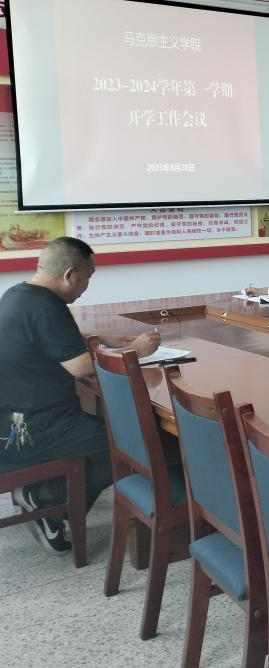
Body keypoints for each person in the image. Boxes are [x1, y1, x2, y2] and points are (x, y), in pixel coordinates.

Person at [0, 237, 160, 554]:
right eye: (87, 277)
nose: (86, 286)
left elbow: (47, 341)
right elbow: (81, 367)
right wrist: (136, 350)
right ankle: (47, 502)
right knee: (126, 449)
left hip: (14, 420)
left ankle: (43, 492)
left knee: (104, 434)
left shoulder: (19, 295)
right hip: (32, 428)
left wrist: (100, 338)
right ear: (70, 274)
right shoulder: (47, 307)